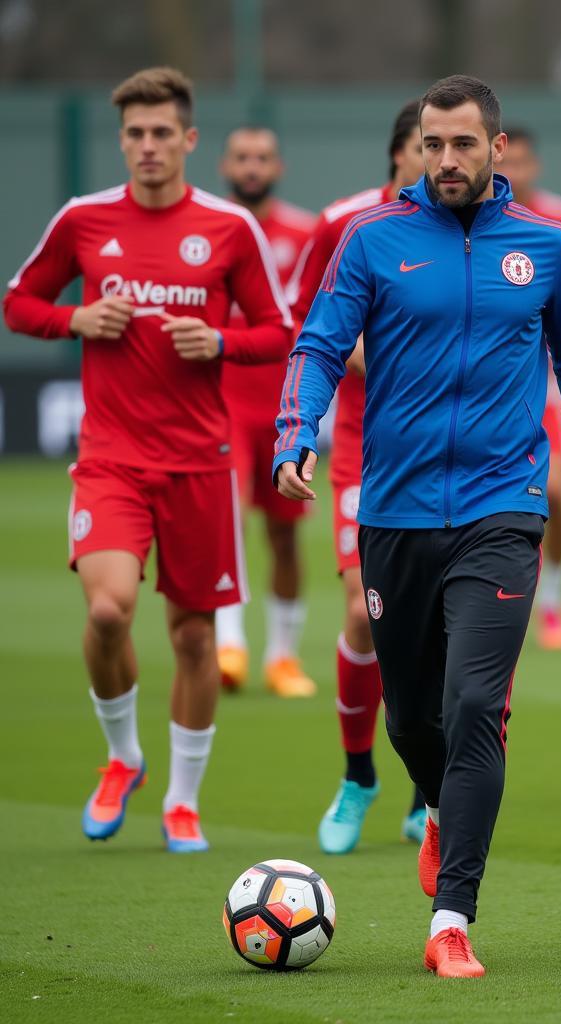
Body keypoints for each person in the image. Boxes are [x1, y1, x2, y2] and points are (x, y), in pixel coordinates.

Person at [274, 75, 561, 978]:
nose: (446, 161)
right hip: (392, 513)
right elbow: (317, 344)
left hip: (502, 510)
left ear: (496, 149)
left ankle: (451, 917)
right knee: (412, 720)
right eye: (432, 145)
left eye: (463, 145)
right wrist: (296, 430)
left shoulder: (545, 248)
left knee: (477, 705)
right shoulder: (372, 241)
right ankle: (434, 801)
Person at [3, 67, 293, 852]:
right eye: (135, 133)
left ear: (190, 140)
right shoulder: (84, 219)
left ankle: (183, 800)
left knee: (196, 638)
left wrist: (223, 341)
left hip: (201, 462)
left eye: (163, 132)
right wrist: (78, 318)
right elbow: (18, 302)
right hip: (111, 457)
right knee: (106, 611)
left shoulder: (231, 227)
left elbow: (280, 330)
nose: (148, 146)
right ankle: (122, 755)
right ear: (121, 140)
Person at [288, 99, 429, 854]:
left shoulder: (474, 228)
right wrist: (354, 359)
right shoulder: (346, 224)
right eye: (426, 147)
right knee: (362, 613)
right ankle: (356, 775)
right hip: (364, 456)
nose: (441, 162)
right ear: (398, 154)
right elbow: (304, 324)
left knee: (433, 627)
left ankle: (424, 786)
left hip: (450, 464)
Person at [216, 125, 318, 698]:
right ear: (224, 164)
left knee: (284, 535)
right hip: (220, 403)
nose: (251, 167)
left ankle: (283, 656)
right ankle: (229, 644)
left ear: (277, 167)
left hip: (286, 407)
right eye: (242, 158)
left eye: (261, 158)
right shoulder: (209, 229)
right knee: (224, 524)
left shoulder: (303, 234)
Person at [499, 126, 561, 650]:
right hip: (501, 383)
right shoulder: (480, 221)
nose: (515, 174)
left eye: (525, 163)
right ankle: (505, 598)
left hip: (551, 381)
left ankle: (553, 600)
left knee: (553, 490)